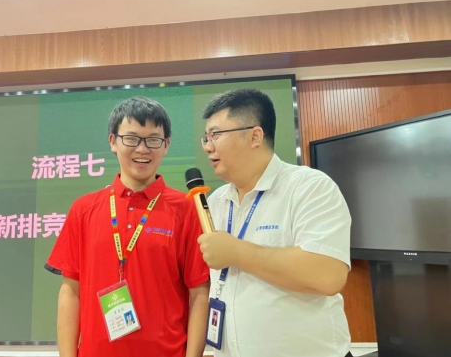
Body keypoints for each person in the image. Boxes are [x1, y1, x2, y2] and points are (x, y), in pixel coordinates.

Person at [45, 97, 210, 357]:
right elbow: (70, 293)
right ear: (113, 142)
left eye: (153, 140)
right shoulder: (83, 209)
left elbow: (199, 293)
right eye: (131, 139)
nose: (142, 149)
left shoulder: (186, 209)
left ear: (166, 145)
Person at [197, 88, 353, 357]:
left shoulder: (309, 187)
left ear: (255, 136)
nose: (208, 146)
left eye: (216, 135)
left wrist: (236, 252)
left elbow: (329, 276)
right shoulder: (216, 202)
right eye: (206, 137)